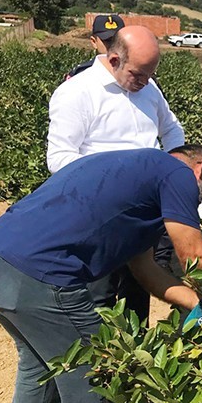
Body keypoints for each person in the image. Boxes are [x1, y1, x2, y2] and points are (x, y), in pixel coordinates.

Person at [0, 145, 202, 403]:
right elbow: (193, 251)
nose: (194, 200)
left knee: (42, 368)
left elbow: (146, 270)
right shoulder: (178, 172)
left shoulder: (134, 177)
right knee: (96, 373)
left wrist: (200, 304)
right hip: (43, 273)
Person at [47, 25, 186, 322]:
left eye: (150, 75)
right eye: (138, 74)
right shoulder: (76, 93)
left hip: (143, 214)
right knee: (100, 295)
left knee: (139, 290)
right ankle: (104, 364)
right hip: (98, 216)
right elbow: (59, 158)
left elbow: (172, 129)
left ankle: (138, 363)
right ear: (113, 60)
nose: (145, 82)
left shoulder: (148, 88)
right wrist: (111, 184)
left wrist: (176, 169)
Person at [66, 14, 125, 80]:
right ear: (94, 42)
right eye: (108, 40)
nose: (113, 44)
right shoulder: (80, 74)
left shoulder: (135, 72)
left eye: (117, 40)